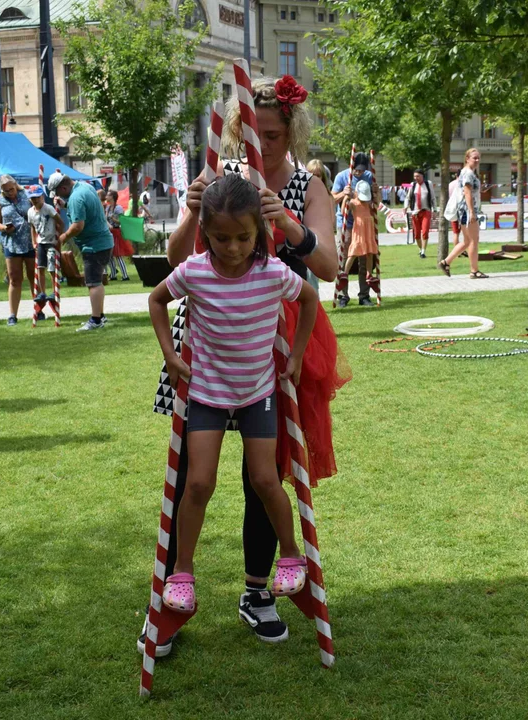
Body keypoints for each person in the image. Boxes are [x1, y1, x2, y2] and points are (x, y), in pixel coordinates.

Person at [154, 73, 342, 655]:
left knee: (265, 474)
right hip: (208, 344)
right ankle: (169, 598)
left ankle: (256, 590)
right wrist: (190, 214)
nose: (266, 145)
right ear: (239, 133)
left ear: (292, 132)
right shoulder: (221, 184)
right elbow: (175, 266)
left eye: (277, 136)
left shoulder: (307, 186)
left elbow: (330, 269)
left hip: (275, 345)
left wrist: (287, 227)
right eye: (256, 135)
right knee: (190, 473)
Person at [148, 174, 319, 613]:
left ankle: (290, 556)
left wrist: (296, 355)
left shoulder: (271, 272)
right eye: (221, 238)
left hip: (257, 393)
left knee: (265, 479)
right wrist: (170, 355)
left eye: (244, 237)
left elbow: (310, 300)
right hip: (206, 392)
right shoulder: (196, 271)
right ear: (205, 231)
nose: (232, 247)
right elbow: (156, 300)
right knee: (199, 482)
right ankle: (182, 573)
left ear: (259, 233)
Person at [49, 172, 115, 331]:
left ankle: (96, 320)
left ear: (63, 188)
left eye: (58, 192)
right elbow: (83, 209)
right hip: (103, 242)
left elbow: (78, 225)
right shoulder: (85, 187)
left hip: (94, 245)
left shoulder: (76, 198)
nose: (58, 195)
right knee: (97, 281)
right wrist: (65, 206)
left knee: (93, 283)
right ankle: (100, 315)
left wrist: (63, 237)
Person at [331, 152, 377, 307]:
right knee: (344, 257)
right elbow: (332, 198)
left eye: (362, 170)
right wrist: (343, 194)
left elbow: (374, 201)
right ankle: (343, 296)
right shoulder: (341, 177)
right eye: (357, 169)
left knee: (365, 257)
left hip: (364, 225)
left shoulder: (369, 176)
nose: (359, 172)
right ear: (351, 166)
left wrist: (376, 192)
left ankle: (364, 295)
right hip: (345, 223)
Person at [439, 148, 487, 279]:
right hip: (467, 210)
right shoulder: (468, 173)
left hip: (466, 210)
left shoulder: (470, 173)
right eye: (474, 158)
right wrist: (471, 212)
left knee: (467, 241)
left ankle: (446, 262)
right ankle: (474, 270)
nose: (477, 160)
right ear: (467, 159)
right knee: (473, 240)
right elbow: (467, 192)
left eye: (478, 158)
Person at [0, 175, 34, 326]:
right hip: (12, 243)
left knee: (33, 277)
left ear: (15, 185)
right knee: (15, 279)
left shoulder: (27, 195)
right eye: (6, 191)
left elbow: (37, 210)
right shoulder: (0, 201)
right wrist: (4, 228)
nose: (10, 192)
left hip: (30, 242)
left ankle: (38, 310)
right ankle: (12, 315)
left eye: (11, 189)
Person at [26, 185, 64, 304]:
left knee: (52, 268)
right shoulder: (30, 212)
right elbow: (32, 227)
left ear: (42, 196)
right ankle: (42, 293)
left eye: (37, 197)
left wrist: (59, 238)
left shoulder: (48, 209)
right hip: (40, 243)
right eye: (32, 198)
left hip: (51, 242)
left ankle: (54, 291)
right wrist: (33, 241)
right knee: (40, 268)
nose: (35, 200)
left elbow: (60, 222)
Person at [343, 180, 379, 300]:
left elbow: (377, 205)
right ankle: (345, 273)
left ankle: (369, 274)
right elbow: (344, 210)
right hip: (359, 230)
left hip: (368, 231)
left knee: (369, 253)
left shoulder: (369, 203)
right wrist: (346, 198)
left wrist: (376, 193)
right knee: (353, 253)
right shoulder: (354, 202)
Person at [406, 169, 434, 258]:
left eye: (418, 176)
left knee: (425, 232)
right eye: (415, 176)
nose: (416, 178)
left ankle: (423, 251)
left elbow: (433, 197)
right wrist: (405, 207)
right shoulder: (412, 185)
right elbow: (408, 198)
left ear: (422, 176)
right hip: (415, 212)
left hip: (426, 211)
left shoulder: (428, 184)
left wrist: (435, 209)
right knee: (417, 234)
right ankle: (420, 248)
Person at [104, 190, 131, 281]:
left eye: (108, 195)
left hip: (116, 232)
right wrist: (108, 223)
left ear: (112, 197)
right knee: (109, 254)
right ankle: (113, 275)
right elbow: (105, 218)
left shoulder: (118, 208)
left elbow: (122, 221)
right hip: (109, 232)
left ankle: (125, 275)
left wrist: (113, 219)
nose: (106, 196)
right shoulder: (108, 208)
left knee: (118, 255)